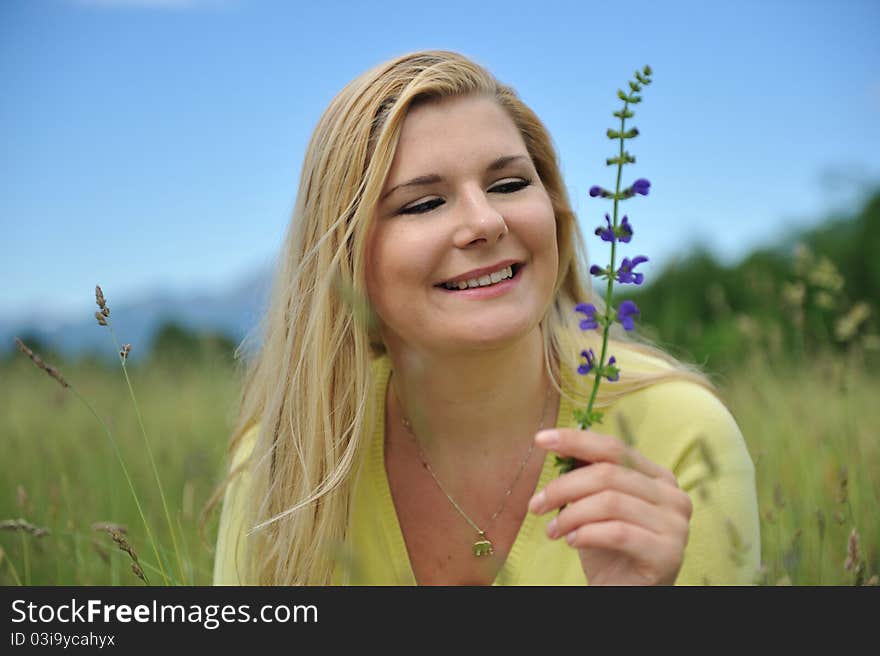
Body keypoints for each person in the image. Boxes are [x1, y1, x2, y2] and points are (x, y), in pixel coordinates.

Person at [208, 50, 761, 586]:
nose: (485, 221)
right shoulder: (286, 461)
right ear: (346, 259)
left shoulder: (680, 432)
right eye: (423, 203)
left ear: (555, 209)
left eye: (509, 184)